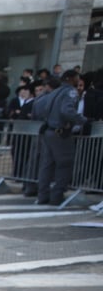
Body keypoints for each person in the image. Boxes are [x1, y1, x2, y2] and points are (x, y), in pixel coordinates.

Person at [35, 70, 86, 205]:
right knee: (65, 164)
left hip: (49, 131)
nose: (78, 80)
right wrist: (82, 120)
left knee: (47, 165)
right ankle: (57, 196)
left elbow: (40, 107)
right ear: (70, 79)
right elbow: (67, 110)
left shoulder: (54, 92)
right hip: (60, 132)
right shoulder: (70, 91)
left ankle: (43, 195)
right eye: (76, 78)